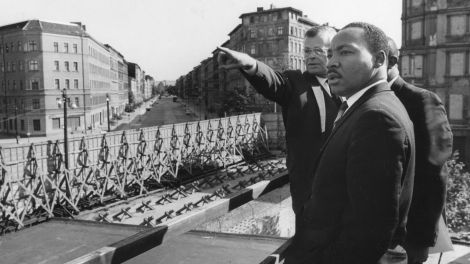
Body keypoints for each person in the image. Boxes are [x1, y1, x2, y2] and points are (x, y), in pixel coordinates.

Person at [293, 22, 416, 264]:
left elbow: (369, 232)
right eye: (330, 54)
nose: (331, 63)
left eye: (345, 52)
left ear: (379, 59)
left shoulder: (377, 117)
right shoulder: (365, 107)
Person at [217, 25, 341, 234]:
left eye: (318, 51)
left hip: (343, 185)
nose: (310, 56)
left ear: (333, 52)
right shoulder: (295, 82)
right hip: (310, 190)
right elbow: (273, 81)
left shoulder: (344, 86)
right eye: (307, 51)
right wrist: (248, 62)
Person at [387, 37, 453, 264]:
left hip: (408, 236)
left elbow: (435, 175)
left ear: (389, 60)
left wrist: (421, 239)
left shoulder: (421, 100)